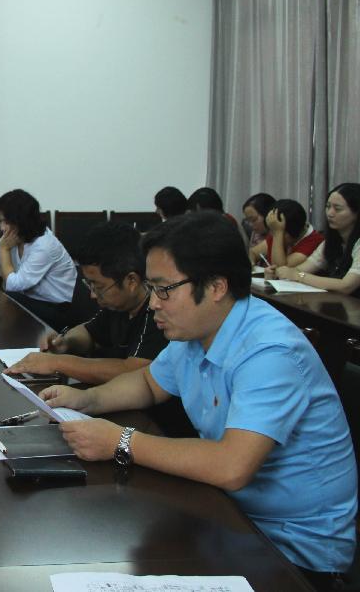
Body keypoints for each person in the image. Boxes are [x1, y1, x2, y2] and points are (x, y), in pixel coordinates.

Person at [40, 212, 356, 589]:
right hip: (228, 512)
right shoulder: (196, 330)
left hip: (291, 546)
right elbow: (148, 383)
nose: (153, 303)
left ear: (217, 286)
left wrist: (120, 441)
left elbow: (232, 466)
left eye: (164, 289)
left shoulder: (269, 352)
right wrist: (84, 399)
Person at [5, 222, 193, 436]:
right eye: (89, 285)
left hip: (158, 426)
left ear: (131, 281)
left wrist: (58, 362)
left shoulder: (162, 316)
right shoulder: (119, 306)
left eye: (98, 286)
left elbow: (133, 370)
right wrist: (66, 343)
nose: (93, 295)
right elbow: (90, 333)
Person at [0, 189, 76, 331]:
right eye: (0, 221)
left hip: (58, 309)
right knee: (6, 303)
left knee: (10, 299)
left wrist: (4, 250)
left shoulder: (44, 245)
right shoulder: (12, 237)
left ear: (23, 220)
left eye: (6, 221)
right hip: (32, 302)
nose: (2, 228)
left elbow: (14, 286)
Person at [270, 183, 360, 296]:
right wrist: (278, 273)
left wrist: (298, 276)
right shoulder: (331, 241)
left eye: (337, 209)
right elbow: (300, 270)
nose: (330, 213)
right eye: (328, 207)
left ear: (357, 213)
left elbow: (346, 286)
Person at [248, 198, 323, 268]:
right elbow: (253, 252)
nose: (271, 235)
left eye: (274, 231)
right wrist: (251, 261)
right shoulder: (276, 230)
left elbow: (280, 268)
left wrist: (278, 233)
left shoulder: (314, 240)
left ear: (293, 230)